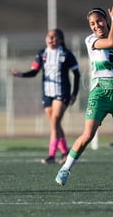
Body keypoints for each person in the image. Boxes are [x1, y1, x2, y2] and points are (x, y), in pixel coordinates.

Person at [55, 5, 113, 187]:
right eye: (92, 23)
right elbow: (110, 41)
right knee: (88, 134)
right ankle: (65, 169)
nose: (96, 25)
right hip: (99, 91)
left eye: (99, 21)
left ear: (105, 21)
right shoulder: (91, 40)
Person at [11, 28, 80, 165]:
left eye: (54, 37)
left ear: (60, 40)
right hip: (47, 93)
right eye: (49, 36)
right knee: (55, 125)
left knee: (54, 121)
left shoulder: (66, 54)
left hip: (62, 93)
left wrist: (74, 94)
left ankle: (52, 155)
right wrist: (21, 74)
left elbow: (77, 74)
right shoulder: (42, 54)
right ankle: (66, 153)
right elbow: (34, 72)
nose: (51, 39)